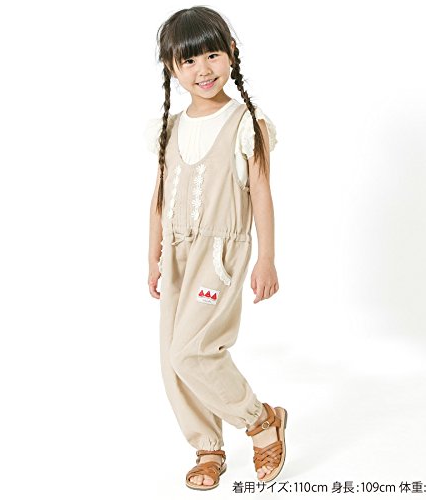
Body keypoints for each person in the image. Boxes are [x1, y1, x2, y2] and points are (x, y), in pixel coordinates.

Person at [146, 5, 288, 491]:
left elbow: (261, 193)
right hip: (175, 254)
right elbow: (158, 199)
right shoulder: (168, 128)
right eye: (188, 60)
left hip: (220, 255)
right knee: (172, 359)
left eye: (212, 55)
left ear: (231, 53)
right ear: (172, 67)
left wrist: (266, 258)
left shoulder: (246, 121)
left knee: (193, 350)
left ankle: (261, 421)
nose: (202, 69)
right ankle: (207, 446)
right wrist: (153, 257)